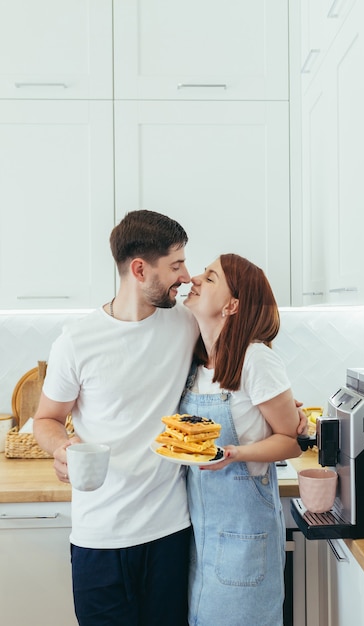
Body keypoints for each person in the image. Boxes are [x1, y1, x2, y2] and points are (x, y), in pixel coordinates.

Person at [33, 210, 200, 626]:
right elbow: (46, 419)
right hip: (98, 538)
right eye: (176, 265)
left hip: (169, 532)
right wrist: (61, 446)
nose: (186, 275)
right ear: (140, 269)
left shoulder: (186, 323)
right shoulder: (77, 342)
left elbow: (243, 345)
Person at [178, 253, 302, 626]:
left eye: (210, 277)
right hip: (202, 538)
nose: (195, 279)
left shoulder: (256, 359)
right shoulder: (196, 364)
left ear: (232, 305)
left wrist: (234, 453)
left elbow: (291, 440)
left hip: (245, 540)